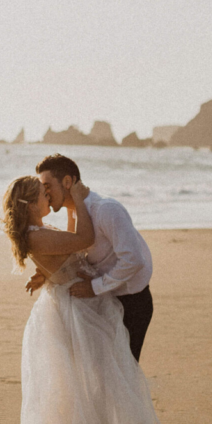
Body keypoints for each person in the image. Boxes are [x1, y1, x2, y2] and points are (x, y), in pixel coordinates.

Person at [1, 173, 165, 424]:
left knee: (95, 388)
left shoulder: (37, 233)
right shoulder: (40, 234)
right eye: (43, 195)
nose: (49, 198)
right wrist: (77, 195)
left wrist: (46, 274)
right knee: (93, 392)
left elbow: (64, 253)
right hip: (78, 312)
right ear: (32, 205)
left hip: (72, 303)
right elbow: (84, 240)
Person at [31, 153, 154, 362]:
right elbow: (76, 257)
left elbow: (133, 260)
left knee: (123, 374)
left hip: (131, 302)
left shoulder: (106, 209)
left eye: (48, 185)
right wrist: (46, 273)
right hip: (104, 300)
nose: (45, 193)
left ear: (67, 182)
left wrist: (94, 287)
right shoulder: (76, 212)